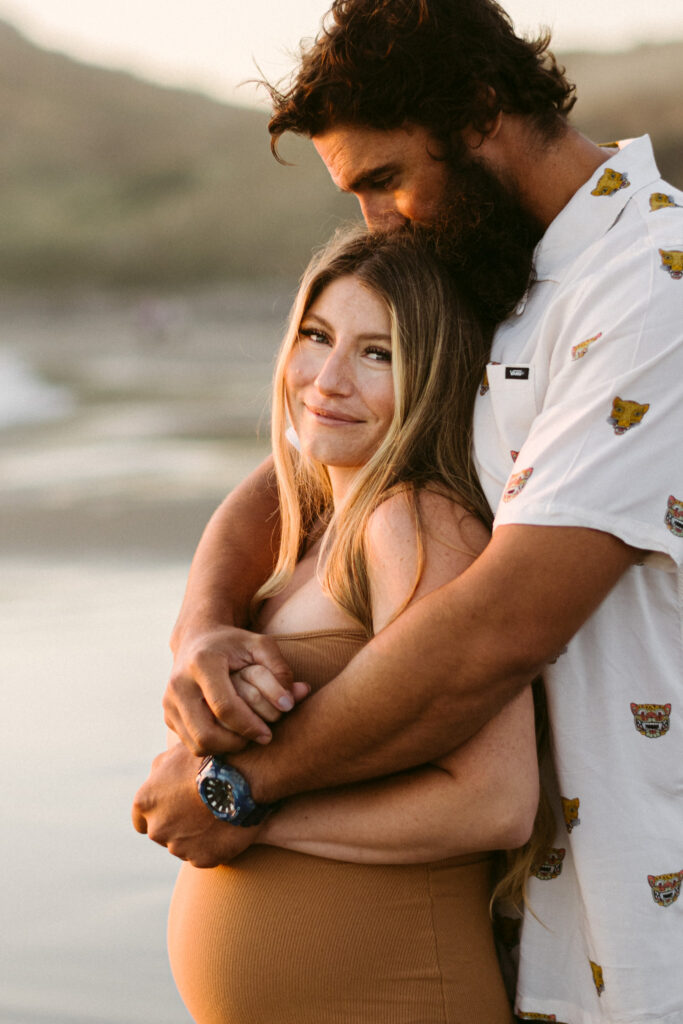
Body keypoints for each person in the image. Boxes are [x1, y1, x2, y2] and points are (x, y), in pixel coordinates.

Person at [133, 1, 683, 1020]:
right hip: (524, 918)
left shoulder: (651, 286)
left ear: (478, 111)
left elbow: (496, 631)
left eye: (385, 180)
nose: (375, 220)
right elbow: (302, 466)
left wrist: (243, 791)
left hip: (641, 907)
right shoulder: (502, 269)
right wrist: (202, 626)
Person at [164, 225, 542, 1023]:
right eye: (317, 336)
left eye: (378, 354)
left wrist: (243, 812)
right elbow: (269, 481)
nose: (328, 379)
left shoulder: (413, 520)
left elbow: (495, 802)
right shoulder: (318, 521)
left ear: (432, 375)